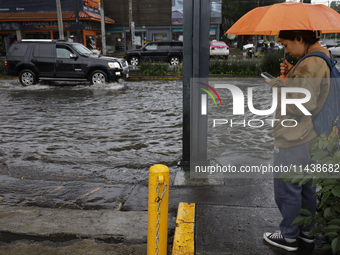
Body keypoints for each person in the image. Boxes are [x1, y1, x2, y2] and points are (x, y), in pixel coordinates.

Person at [263, 30, 330, 252]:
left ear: (300, 39)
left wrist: (276, 85)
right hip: (309, 134)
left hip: (294, 136)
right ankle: (306, 232)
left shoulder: (309, 63)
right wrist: (293, 73)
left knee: (287, 188)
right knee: (305, 188)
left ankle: (288, 236)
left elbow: (301, 104)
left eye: (287, 44)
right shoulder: (320, 58)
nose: (287, 50)